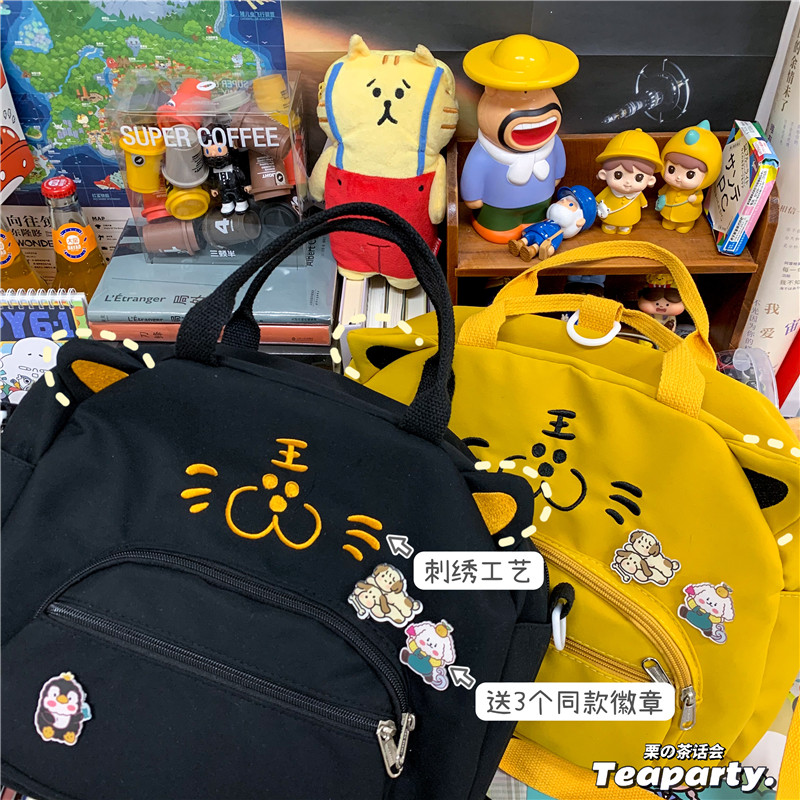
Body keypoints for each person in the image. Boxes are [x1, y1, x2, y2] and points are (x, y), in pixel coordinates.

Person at [460, 34, 578, 244]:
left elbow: (559, 160)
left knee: (537, 218)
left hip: (541, 201)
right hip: (497, 206)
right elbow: (474, 171)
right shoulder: (484, 153)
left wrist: (557, 175)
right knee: (498, 225)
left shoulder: (552, 144)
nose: (536, 113)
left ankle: (533, 222)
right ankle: (496, 226)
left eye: (542, 94)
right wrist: (472, 196)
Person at [508, 184, 596, 261]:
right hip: (535, 232)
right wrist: (526, 231)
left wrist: (549, 251)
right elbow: (535, 226)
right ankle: (519, 243)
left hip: (543, 239)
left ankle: (531, 251)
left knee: (536, 245)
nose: (563, 201)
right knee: (528, 237)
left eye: (571, 204)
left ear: (580, 221)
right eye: (562, 199)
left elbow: (554, 244)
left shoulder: (558, 233)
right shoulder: (546, 221)